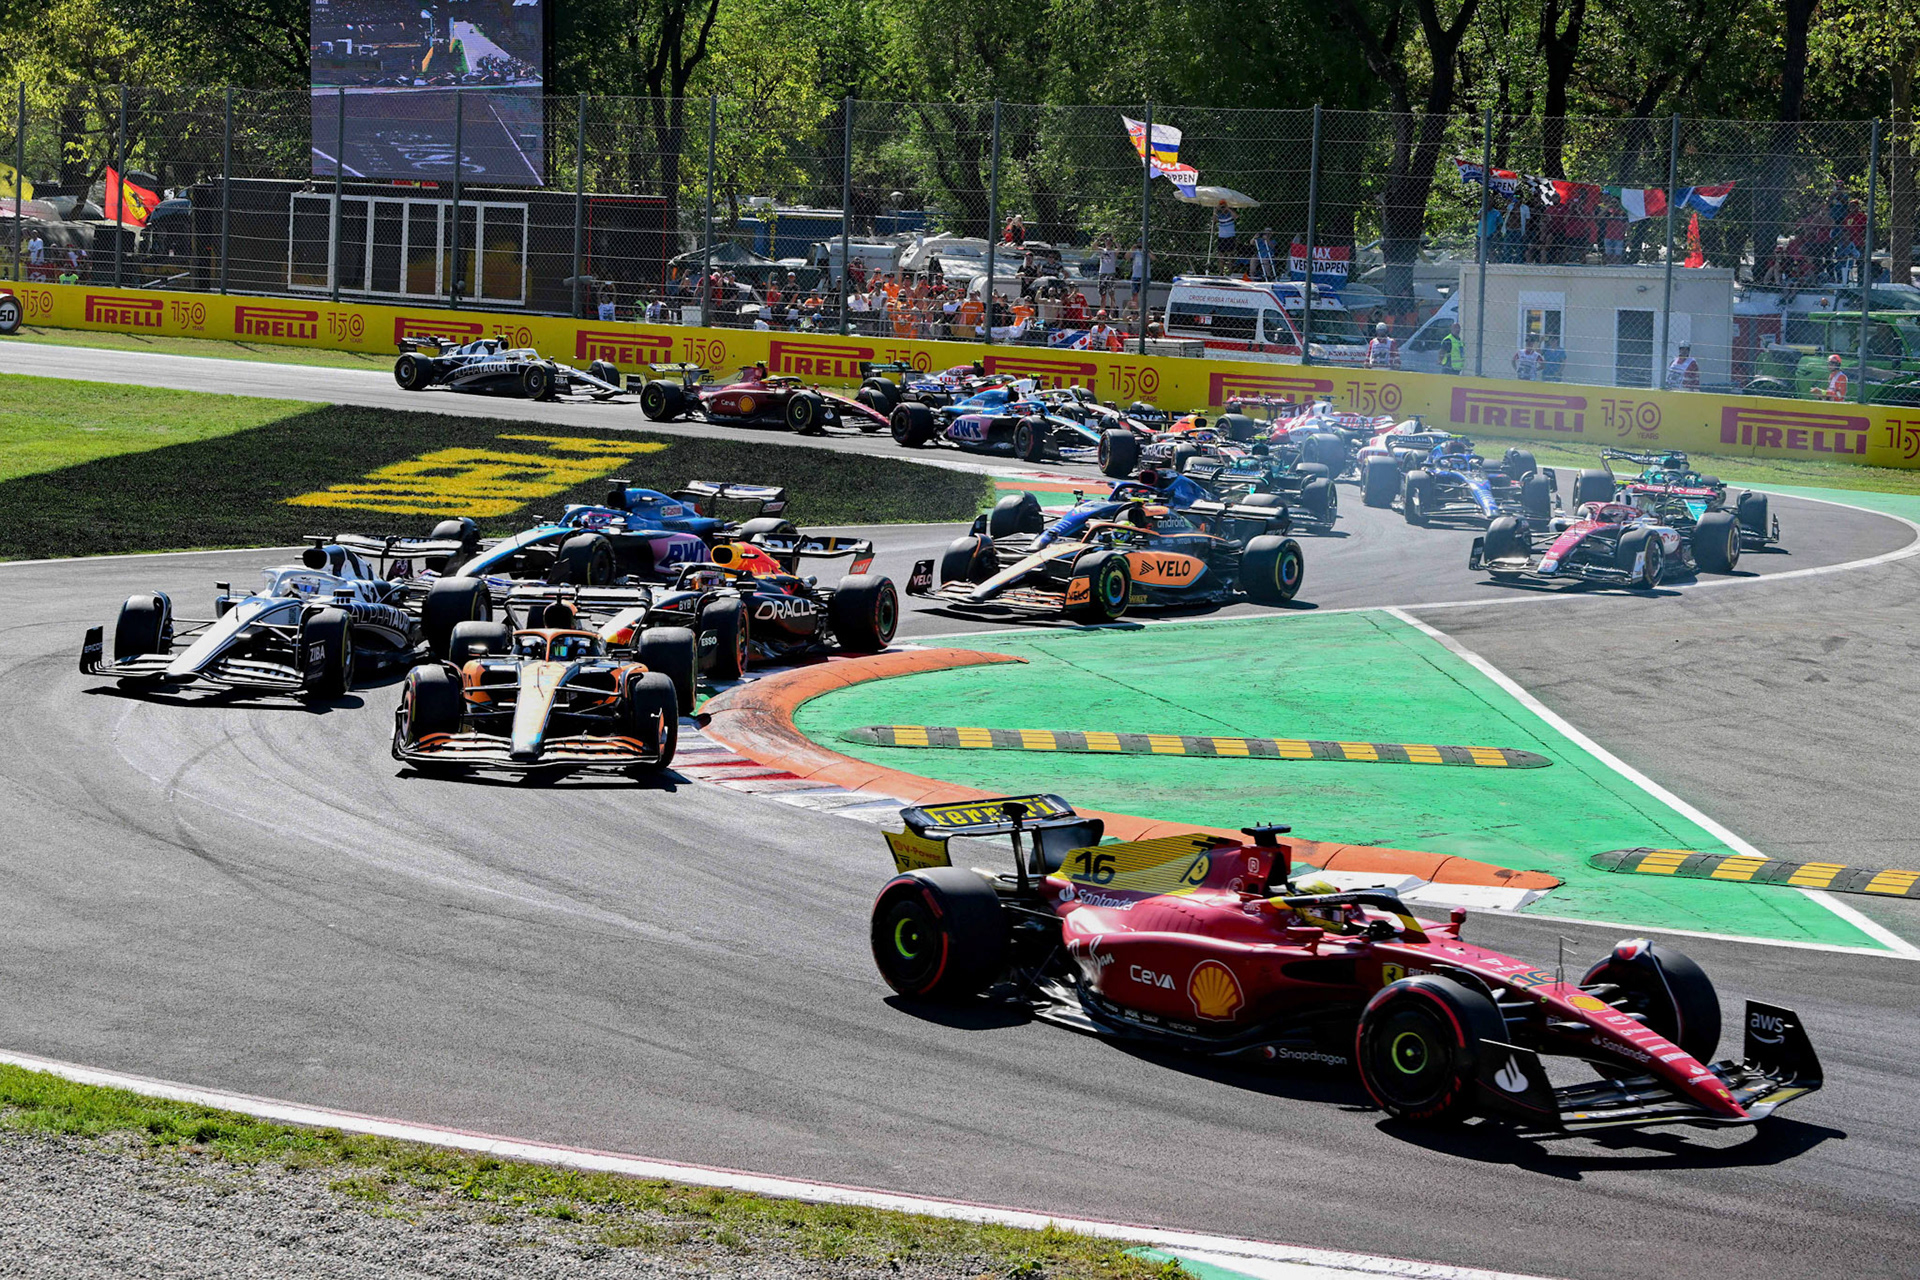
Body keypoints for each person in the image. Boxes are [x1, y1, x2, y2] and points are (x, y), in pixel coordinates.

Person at [1214, 201, 1237, 271]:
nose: (1223, 209)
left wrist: (1228, 208)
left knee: (1230, 255)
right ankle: (1221, 272)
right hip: (1222, 237)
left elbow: (1236, 216)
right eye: (1222, 207)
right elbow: (1214, 219)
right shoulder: (1219, 215)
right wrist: (1216, 209)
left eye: (1224, 207)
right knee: (1220, 255)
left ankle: (1230, 271)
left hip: (1230, 237)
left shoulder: (1230, 214)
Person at [1095, 236, 1118, 309]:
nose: (1108, 242)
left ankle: (1112, 312)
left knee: (1111, 294)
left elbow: (1119, 248)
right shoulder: (1102, 250)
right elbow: (1094, 246)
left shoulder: (1113, 252)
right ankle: (1102, 310)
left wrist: (1115, 239)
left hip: (1111, 273)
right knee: (1102, 294)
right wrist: (1100, 237)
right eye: (1106, 241)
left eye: (1109, 241)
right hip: (1102, 273)